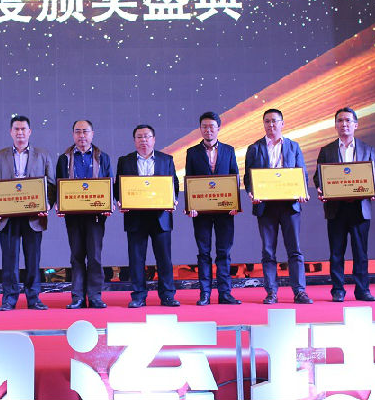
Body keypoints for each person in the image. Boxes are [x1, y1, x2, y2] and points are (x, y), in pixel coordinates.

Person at [0, 115, 56, 311]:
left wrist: (47, 205)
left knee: (33, 259)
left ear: (29, 132)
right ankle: (9, 299)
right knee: (9, 260)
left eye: (23, 129)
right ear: (11, 132)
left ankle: (33, 298)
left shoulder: (42, 155)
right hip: (8, 216)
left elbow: (51, 184)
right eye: (16, 129)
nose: (20, 132)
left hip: (34, 216)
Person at [244, 109, 313, 305]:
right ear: (263, 124)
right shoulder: (254, 148)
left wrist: (302, 191)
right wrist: (251, 192)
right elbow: (249, 177)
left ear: (282, 123)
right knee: (268, 252)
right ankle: (271, 292)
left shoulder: (293, 146)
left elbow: (301, 173)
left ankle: (299, 291)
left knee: (295, 250)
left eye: (274, 121)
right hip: (265, 207)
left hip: (290, 206)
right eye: (267, 121)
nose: (271, 125)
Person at [313, 108, 375, 302]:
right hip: (336, 208)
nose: (344, 124)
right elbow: (318, 177)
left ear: (356, 125)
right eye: (340, 121)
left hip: (360, 208)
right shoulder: (326, 150)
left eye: (348, 120)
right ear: (335, 125)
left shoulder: (368, 149)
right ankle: (338, 290)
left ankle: (362, 290)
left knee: (361, 253)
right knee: (336, 253)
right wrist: (321, 189)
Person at [116, 124, 180, 308]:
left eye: (147, 136)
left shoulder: (166, 159)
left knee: (164, 259)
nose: (143, 140)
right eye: (139, 137)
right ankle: (138, 296)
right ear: (134, 140)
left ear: (154, 139)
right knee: (137, 259)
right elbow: (118, 186)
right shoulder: (125, 161)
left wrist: (173, 200)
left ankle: (167, 296)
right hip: (135, 217)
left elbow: (174, 184)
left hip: (161, 217)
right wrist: (120, 200)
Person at [185, 111, 241, 305]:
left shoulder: (229, 150)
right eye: (204, 127)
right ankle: (205, 293)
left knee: (224, 252)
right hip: (200, 212)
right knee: (203, 253)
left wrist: (235, 203)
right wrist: (190, 206)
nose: (208, 130)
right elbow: (189, 180)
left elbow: (234, 177)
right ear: (200, 129)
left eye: (211, 126)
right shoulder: (192, 152)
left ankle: (225, 293)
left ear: (218, 128)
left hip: (225, 210)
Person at [56, 119, 112, 309]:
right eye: (78, 132)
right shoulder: (64, 158)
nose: (82, 135)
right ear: (73, 134)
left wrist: (109, 203)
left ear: (92, 134)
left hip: (96, 214)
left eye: (85, 131)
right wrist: (60, 204)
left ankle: (95, 296)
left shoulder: (102, 157)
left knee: (95, 256)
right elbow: (59, 184)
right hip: (73, 214)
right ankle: (77, 297)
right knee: (77, 256)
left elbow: (109, 182)